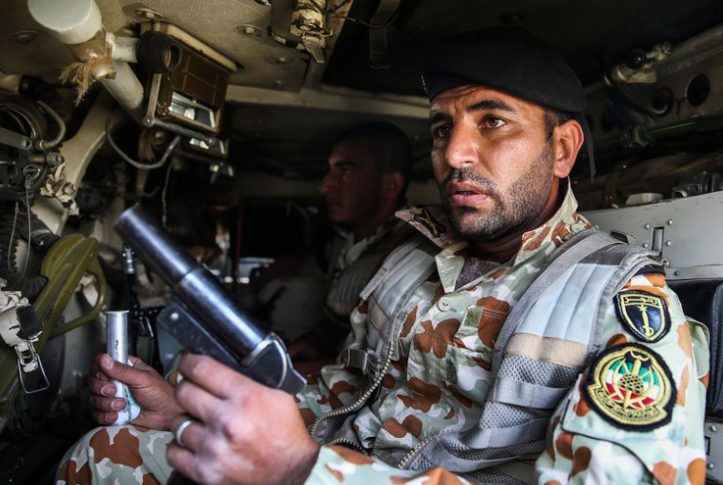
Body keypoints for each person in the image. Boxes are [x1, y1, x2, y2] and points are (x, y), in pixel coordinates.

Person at [57, 27, 709, 485]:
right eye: (439, 128)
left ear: (562, 149)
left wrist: (299, 468)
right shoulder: (408, 261)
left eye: (491, 121)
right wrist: (198, 412)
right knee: (104, 449)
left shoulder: (621, 308)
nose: (454, 153)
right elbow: (340, 393)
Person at [288, 122, 415, 374]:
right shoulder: (345, 244)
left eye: (344, 170)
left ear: (390, 185)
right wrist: (315, 339)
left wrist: (322, 369)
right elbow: (339, 320)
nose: (325, 185)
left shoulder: (412, 255)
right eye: (330, 171)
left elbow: (402, 368)